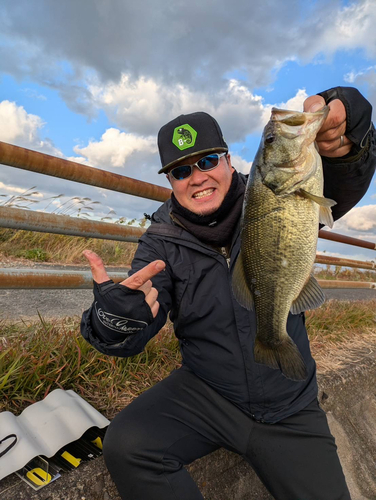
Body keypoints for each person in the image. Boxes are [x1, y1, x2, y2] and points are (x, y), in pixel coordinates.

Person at [81, 86, 375, 500]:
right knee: (127, 444)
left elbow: (348, 175)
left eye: (206, 161)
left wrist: (352, 125)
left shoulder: (276, 192)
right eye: (180, 171)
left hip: (290, 405)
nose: (196, 177)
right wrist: (115, 319)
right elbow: (135, 324)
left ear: (229, 160)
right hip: (207, 394)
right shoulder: (160, 241)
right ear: (169, 180)